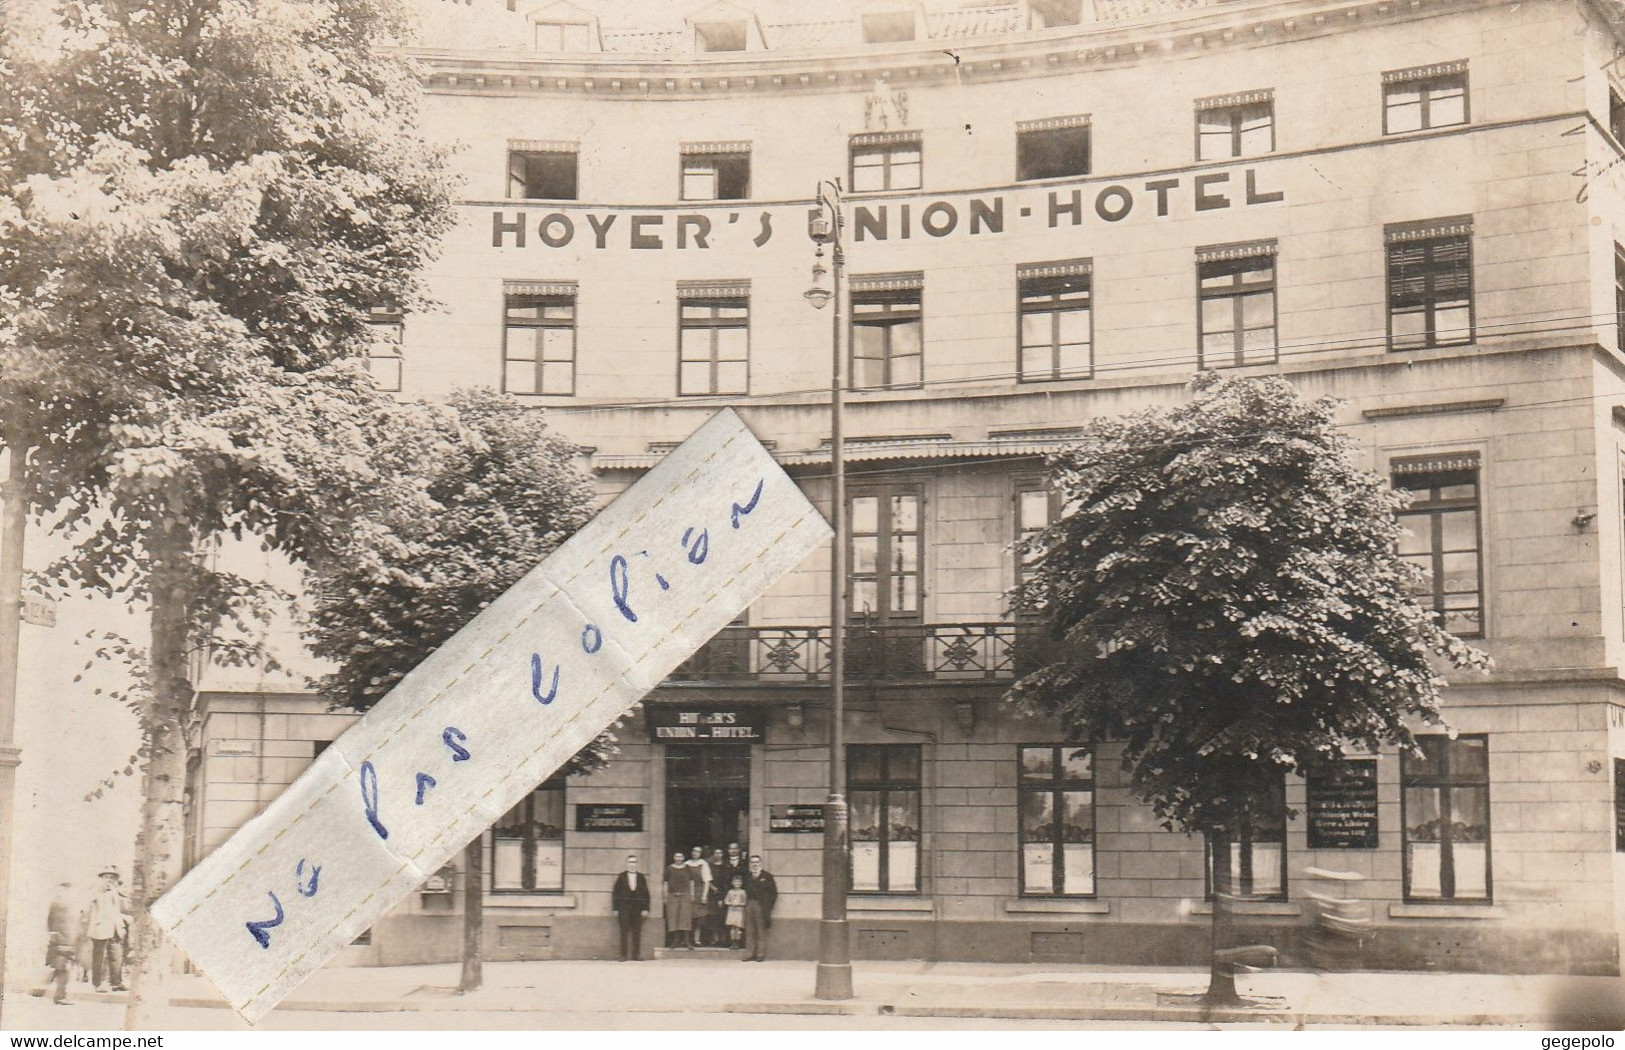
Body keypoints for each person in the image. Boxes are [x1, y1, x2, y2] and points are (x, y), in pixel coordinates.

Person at [85, 865, 129, 992]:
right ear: (101, 878)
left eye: (112, 877)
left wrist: (122, 919)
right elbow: (87, 904)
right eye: (106, 877)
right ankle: (98, 984)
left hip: (115, 928)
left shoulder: (115, 891)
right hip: (100, 929)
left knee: (117, 955)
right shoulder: (96, 891)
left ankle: (116, 982)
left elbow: (115, 909)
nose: (109, 879)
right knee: (100, 957)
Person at [610, 855, 650, 961]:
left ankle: (636, 954)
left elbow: (646, 894)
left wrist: (646, 909)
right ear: (627, 864)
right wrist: (615, 909)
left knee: (637, 932)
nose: (632, 864)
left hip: (637, 908)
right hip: (624, 908)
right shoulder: (621, 876)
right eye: (630, 862)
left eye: (634, 862)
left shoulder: (641, 877)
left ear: (637, 864)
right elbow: (615, 893)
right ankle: (623, 955)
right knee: (624, 931)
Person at [742, 854, 778, 963]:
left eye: (757, 862)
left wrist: (768, 907)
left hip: (761, 906)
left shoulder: (767, 876)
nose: (754, 864)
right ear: (750, 864)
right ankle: (749, 953)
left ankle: (760, 954)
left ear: (760, 863)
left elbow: (774, 893)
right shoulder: (747, 877)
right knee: (749, 930)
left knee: (761, 930)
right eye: (752, 862)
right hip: (749, 905)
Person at [45, 883, 75, 1005]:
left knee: (61, 969)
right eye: (66, 887)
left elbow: (50, 921)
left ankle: (59, 994)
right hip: (63, 941)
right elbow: (55, 921)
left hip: (61, 940)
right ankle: (60, 997)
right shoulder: (61, 902)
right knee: (64, 969)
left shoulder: (58, 901)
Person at [662, 852, 695, 949]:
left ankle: (687, 941)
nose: (678, 858)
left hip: (685, 895)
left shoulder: (687, 868)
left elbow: (691, 882)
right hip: (672, 896)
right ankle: (675, 941)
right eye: (676, 856)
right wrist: (665, 896)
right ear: (673, 857)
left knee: (685, 918)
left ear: (683, 857)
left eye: (680, 856)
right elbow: (665, 883)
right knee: (673, 918)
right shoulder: (669, 868)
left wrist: (692, 894)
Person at [686, 845, 712, 948]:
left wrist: (704, 895)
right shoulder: (686, 864)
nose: (695, 853)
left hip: (700, 892)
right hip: (688, 891)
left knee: (699, 919)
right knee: (688, 917)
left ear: (700, 854)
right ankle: (688, 940)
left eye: (698, 851)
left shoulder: (703, 864)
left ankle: (697, 939)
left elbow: (707, 881)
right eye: (694, 851)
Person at [705, 847, 729, 947]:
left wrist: (722, 897)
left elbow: (727, 881)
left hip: (722, 894)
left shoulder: (725, 866)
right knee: (712, 917)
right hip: (711, 894)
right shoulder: (709, 866)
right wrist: (711, 887)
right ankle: (714, 939)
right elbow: (706, 878)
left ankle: (723, 939)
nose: (718, 855)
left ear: (722, 855)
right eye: (716, 853)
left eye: (720, 853)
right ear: (713, 854)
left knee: (722, 917)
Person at [722, 875, 747, 949]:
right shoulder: (730, 892)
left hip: (739, 911)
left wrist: (739, 904)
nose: (737, 884)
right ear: (732, 883)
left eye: (739, 882)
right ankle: (732, 943)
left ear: (741, 883)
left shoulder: (743, 892)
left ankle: (737, 943)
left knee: (738, 928)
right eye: (735, 882)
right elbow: (726, 900)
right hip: (732, 910)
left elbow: (745, 902)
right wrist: (730, 903)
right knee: (732, 928)